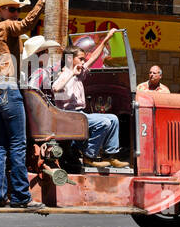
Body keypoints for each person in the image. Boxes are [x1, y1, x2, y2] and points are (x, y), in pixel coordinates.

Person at [0, 0, 47, 209]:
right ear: (1, 10)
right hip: (9, 90)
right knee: (18, 144)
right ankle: (21, 196)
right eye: (12, 9)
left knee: (1, 144)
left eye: (17, 10)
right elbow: (26, 25)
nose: (16, 13)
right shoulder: (6, 25)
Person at [53, 34, 130, 171]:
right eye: (80, 59)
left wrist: (105, 40)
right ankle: (89, 156)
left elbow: (94, 58)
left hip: (79, 114)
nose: (83, 62)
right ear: (70, 59)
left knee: (113, 119)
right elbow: (56, 88)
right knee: (103, 122)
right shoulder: (64, 74)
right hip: (69, 116)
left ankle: (110, 155)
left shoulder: (79, 72)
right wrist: (72, 73)